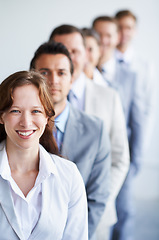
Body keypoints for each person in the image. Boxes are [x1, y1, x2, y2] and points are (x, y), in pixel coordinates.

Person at [0, 70, 88, 240]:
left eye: (36, 111)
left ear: (47, 116)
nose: (26, 122)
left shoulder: (69, 175)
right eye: (15, 111)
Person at [49, 24, 129, 240]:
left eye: (74, 51)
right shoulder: (37, 98)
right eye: (62, 49)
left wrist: (98, 201)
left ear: (86, 54)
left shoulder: (109, 97)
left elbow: (120, 158)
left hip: (98, 216)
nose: (68, 56)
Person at [30, 40, 111, 239]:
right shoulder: (18, 127)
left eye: (61, 73)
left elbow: (97, 198)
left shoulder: (95, 130)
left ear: (72, 78)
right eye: (44, 72)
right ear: (31, 77)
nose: (53, 80)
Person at [92, 15, 148, 240]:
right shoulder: (83, 71)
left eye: (109, 35)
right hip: (94, 159)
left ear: (117, 38)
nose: (104, 41)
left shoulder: (129, 75)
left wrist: (136, 161)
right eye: (99, 35)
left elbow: (138, 120)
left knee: (124, 212)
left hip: (120, 156)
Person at [115, 9, 156, 144]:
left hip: (133, 135)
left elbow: (148, 106)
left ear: (135, 31)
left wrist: (142, 141)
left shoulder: (146, 65)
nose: (124, 32)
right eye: (120, 27)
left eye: (129, 28)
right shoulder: (104, 62)